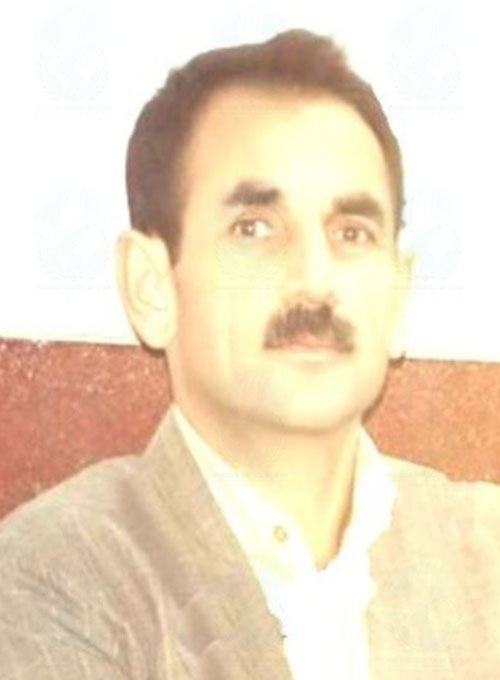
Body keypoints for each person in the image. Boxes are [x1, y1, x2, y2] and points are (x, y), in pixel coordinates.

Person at [0, 29, 498, 679]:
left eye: (352, 232)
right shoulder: (56, 578)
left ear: (398, 297)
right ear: (152, 287)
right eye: (255, 228)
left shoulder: (485, 552)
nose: (315, 278)